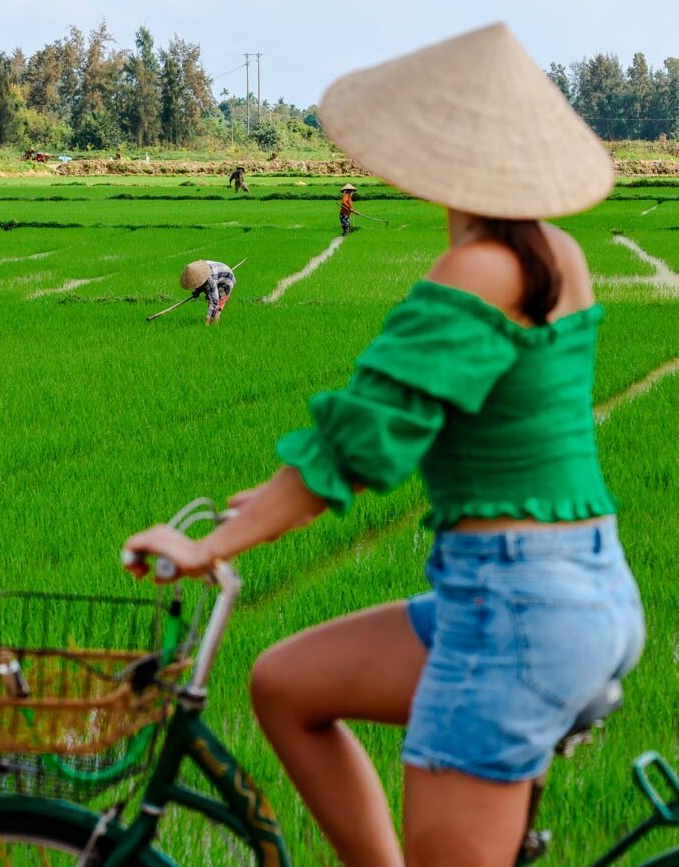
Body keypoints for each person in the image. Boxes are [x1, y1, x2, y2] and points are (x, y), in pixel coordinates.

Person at [126, 24, 645, 867]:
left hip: (516, 605)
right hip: (580, 584)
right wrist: (268, 496)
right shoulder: (556, 253)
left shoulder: (476, 271)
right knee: (286, 683)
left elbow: (358, 442)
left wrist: (208, 545)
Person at [179, 259, 235, 325]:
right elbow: (198, 283)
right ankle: (211, 321)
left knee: (217, 306)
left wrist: (207, 320)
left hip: (226, 280)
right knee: (211, 303)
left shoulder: (210, 280)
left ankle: (215, 323)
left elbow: (214, 300)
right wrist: (197, 292)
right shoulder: (196, 271)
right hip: (216, 274)